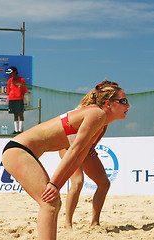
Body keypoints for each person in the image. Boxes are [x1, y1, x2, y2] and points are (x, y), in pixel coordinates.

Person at [2, 81, 130, 240]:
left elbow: (78, 158)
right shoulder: (97, 114)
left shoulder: (100, 122)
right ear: (108, 104)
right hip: (18, 150)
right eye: (123, 101)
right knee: (50, 204)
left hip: (22, 150)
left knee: (54, 203)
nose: (128, 105)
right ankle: (68, 223)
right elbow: (74, 150)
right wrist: (54, 184)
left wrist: (56, 185)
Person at [59, 81, 119, 229]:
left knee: (104, 183)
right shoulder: (86, 110)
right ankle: (67, 224)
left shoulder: (105, 114)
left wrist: (93, 145)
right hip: (67, 145)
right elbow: (71, 136)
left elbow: (103, 129)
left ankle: (95, 223)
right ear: (107, 99)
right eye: (119, 98)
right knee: (78, 181)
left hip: (84, 145)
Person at [6, 66, 28, 134]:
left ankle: (20, 130)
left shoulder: (21, 80)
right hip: (12, 99)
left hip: (19, 99)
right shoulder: (9, 80)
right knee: (15, 115)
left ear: (15, 72)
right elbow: (9, 91)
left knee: (20, 114)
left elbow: (24, 90)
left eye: (11, 73)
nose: (10, 75)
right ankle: (16, 130)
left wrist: (20, 96)